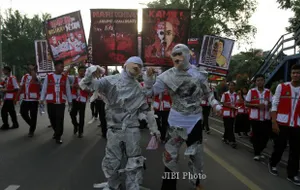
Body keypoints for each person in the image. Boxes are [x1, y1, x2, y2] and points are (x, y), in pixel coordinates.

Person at [143, 44, 222, 190]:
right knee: (170, 158)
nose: (177, 58)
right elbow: (149, 93)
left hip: (195, 121)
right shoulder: (166, 76)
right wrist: (148, 80)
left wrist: (216, 105)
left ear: (187, 55)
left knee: (197, 158)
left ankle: (196, 184)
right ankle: (168, 187)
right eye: (174, 55)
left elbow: (208, 93)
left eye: (180, 54)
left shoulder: (198, 74)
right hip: (175, 122)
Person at [79, 56, 160, 190]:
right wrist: (91, 72)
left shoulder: (137, 88)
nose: (137, 67)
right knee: (112, 159)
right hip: (114, 129)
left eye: (140, 66)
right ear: (125, 65)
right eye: (134, 64)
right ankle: (112, 184)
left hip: (132, 129)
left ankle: (133, 185)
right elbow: (88, 85)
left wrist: (154, 129)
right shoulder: (110, 81)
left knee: (134, 159)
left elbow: (146, 108)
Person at [268, 64, 300, 187]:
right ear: (291, 74)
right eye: (293, 73)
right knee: (280, 146)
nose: (295, 75)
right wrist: (274, 122)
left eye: (298, 73)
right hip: (282, 123)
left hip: (297, 125)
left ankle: (292, 174)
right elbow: (274, 104)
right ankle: (273, 164)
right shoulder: (282, 86)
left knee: (295, 151)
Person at [40, 60, 72, 144]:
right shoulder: (49, 76)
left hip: (61, 102)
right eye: (61, 66)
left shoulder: (65, 78)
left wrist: (70, 101)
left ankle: (58, 136)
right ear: (56, 66)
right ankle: (56, 131)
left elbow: (68, 90)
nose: (62, 68)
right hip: (51, 101)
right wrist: (41, 99)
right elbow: (44, 88)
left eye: (63, 67)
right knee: (52, 118)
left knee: (60, 119)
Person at [245, 74, 273, 161]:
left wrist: (269, 105)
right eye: (258, 80)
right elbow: (246, 103)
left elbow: (272, 103)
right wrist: (256, 105)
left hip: (266, 118)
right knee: (257, 136)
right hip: (255, 118)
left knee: (265, 136)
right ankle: (257, 153)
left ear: (264, 81)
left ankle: (259, 149)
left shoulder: (268, 92)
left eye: (261, 80)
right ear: (255, 82)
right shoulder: (251, 91)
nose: (260, 82)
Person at [15, 65, 41, 137]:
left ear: (35, 69)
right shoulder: (25, 77)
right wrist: (16, 98)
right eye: (29, 69)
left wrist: (33, 71)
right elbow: (21, 87)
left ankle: (31, 130)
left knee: (33, 115)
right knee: (23, 112)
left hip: (33, 99)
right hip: (25, 99)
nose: (30, 70)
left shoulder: (38, 77)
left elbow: (33, 79)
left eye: (32, 69)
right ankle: (32, 124)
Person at [70, 65, 89, 138]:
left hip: (82, 100)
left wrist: (81, 88)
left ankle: (80, 132)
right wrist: (73, 86)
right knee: (72, 114)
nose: (82, 72)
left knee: (81, 116)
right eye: (80, 71)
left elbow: (89, 90)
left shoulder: (87, 80)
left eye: (83, 71)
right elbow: (70, 85)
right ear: (78, 72)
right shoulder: (74, 78)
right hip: (75, 99)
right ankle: (76, 125)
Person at [220, 82, 237, 148]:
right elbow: (222, 103)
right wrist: (231, 107)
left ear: (234, 87)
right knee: (228, 127)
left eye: (232, 86)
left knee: (229, 127)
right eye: (230, 85)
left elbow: (237, 103)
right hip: (226, 113)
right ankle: (232, 140)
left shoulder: (236, 95)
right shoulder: (225, 94)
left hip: (233, 113)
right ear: (228, 86)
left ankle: (225, 137)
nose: (231, 87)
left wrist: (236, 107)